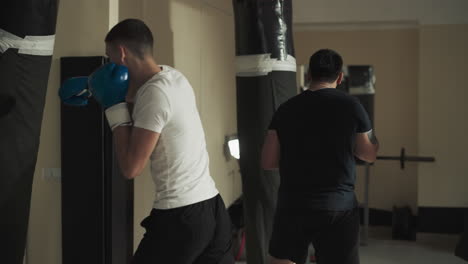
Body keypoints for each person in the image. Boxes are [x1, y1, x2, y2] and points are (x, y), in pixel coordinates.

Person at [99, 18, 234, 264]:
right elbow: (138, 101)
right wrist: (90, 87)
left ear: (122, 53)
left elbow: (131, 168)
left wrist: (112, 107)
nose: (111, 65)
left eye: (110, 59)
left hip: (181, 216)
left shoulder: (154, 95)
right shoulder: (172, 76)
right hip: (212, 208)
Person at [261, 49, 379, 264]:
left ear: (308, 75)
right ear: (340, 77)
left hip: (293, 204)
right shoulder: (351, 106)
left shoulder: (286, 109)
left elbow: (268, 161)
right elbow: (368, 154)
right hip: (338, 206)